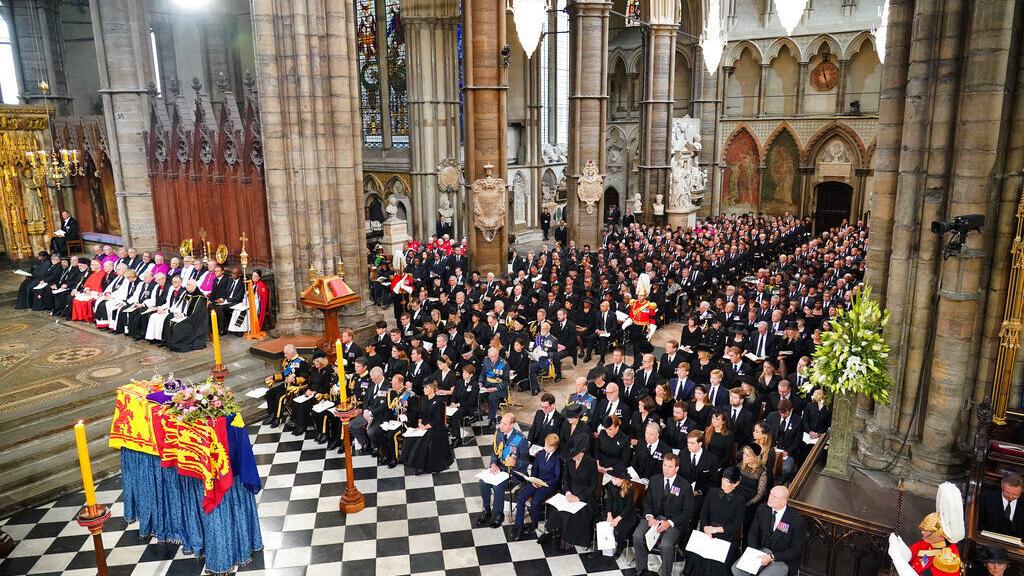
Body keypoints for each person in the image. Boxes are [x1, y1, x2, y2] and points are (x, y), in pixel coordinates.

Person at [630, 453, 694, 576]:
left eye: (670, 466)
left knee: (665, 545)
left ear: (677, 468)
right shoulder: (654, 480)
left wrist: (669, 523)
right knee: (637, 536)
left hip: (673, 522)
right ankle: (641, 569)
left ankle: (666, 574)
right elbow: (647, 501)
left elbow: (687, 512)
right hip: (653, 517)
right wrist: (649, 516)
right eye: (664, 465)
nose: (666, 469)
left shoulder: (685, 486)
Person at [732, 486, 806, 576]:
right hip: (762, 551)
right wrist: (753, 551)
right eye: (770, 494)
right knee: (736, 569)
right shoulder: (762, 509)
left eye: (774, 497)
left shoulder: (796, 521)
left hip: (781, 559)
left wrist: (772, 557)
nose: (770, 498)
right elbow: (753, 532)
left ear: (784, 501)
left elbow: (796, 551)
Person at [542, 434, 598, 551]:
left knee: (574, 515)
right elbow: (565, 479)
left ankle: (571, 539)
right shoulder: (568, 461)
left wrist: (579, 498)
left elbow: (593, 486)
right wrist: (567, 492)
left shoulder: (591, 462)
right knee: (557, 510)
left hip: (585, 498)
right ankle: (558, 534)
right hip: (570, 494)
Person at [692, 467, 746, 576]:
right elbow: (703, 513)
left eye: (728, 481)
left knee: (715, 562)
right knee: (695, 555)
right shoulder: (712, 491)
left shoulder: (740, 501)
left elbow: (736, 525)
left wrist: (717, 530)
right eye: (723, 479)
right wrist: (705, 528)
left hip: (726, 535)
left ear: (735, 484)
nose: (724, 482)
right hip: (708, 531)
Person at [478, 413, 529, 529]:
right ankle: (487, 510)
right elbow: (494, 452)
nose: (501, 425)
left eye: (504, 424)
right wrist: (493, 463)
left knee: (497, 486)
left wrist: (515, 463)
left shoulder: (520, 439)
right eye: (501, 422)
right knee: (482, 482)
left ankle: (498, 514)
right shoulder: (499, 434)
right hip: (500, 469)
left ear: (512, 425)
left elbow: (526, 463)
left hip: (514, 473)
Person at [511, 433, 561, 541]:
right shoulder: (541, 454)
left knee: (535, 502)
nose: (546, 448)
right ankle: (518, 526)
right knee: (521, 497)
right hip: (535, 481)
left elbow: (556, 477)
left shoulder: (557, 458)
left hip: (547, 485)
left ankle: (534, 524)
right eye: (546, 445)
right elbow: (534, 469)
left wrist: (543, 482)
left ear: (555, 447)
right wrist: (533, 479)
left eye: (549, 446)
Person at [401, 381, 454, 474]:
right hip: (423, 425)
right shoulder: (424, 399)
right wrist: (420, 423)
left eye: (426, 388)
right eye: (424, 388)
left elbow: (437, 419)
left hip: (435, 427)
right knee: (410, 439)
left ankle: (422, 465)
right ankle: (408, 460)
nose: (424, 389)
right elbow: (420, 413)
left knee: (425, 442)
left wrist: (425, 427)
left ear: (433, 389)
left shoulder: (439, 402)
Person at [287, 350, 336, 440]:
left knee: (303, 405)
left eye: (317, 361)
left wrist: (314, 392)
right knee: (296, 402)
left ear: (322, 361)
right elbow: (310, 383)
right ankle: (300, 425)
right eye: (314, 361)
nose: (315, 363)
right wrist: (308, 389)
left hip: (320, 395)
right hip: (310, 392)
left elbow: (326, 387)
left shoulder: (329, 370)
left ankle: (302, 426)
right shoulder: (313, 369)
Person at [264, 344, 310, 427]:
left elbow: (305, 378)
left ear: (292, 353)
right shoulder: (287, 361)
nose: (284, 355)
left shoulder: (302, 362)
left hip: (294, 388)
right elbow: (284, 375)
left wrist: (294, 380)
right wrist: (273, 377)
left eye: (286, 354)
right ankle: (271, 414)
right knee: (269, 393)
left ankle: (278, 419)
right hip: (286, 385)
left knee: (280, 397)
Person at [598, 468, 639, 560]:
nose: (612, 479)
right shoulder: (611, 485)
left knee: (619, 530)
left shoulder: (629, 489)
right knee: (602, 522)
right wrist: (609, 514)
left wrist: (617, 519)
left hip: (626, 515)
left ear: (622, 479)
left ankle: (620, 547)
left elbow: (628, 507)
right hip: (613, 511)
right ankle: (602, 545)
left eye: (615, 478)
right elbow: (609, 500)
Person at [906, 512, 961, 576]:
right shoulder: (929, 542)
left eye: (927, 530)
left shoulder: (948, 559)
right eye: (923, 529)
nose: (922, 532)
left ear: (940, 535)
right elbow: (909, 554)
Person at [165, 279, 210, 352]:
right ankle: (168, 343)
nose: (187, 286)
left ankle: (176, 344)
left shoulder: (200, 298)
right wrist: (178, 313)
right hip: (183, 315)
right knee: (168, 318)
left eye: (190, 285)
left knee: (178, 326)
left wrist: (183, 315)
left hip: (193, 320)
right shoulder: (187, 294)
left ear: (195, 286)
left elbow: (196, 314)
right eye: (187, 284)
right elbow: (183, 305)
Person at [980, 474, 1024, 539]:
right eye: (1007, 492)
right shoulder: (987, 497)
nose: (1010, 496)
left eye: (1015, 494)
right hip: (989, 539)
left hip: (1016, 544)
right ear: (1002, 487)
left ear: (1022, 491)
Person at [479, 346, 510, 428]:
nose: (492, 358)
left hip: (499, 387)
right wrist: (480, 383)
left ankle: (492, 419)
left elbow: (507, 381)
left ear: (498, 354)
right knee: (477, 393)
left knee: (492, 397)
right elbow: (482, 373)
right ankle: (478, 413)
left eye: (494, 356)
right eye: (490, 357)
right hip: (487, 384)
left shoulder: (504, 364)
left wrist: (495, 389)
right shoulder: (486, 360)